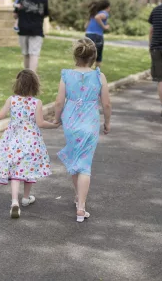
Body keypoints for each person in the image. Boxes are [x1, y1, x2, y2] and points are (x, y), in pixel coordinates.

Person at [0, 69, 59, 218]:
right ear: (35, 85)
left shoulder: (12, 100)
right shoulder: (36, 103)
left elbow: (0, 115)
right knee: (28, 169)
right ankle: (25, 198)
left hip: (13, 140)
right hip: (31, 141)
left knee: (15, 173)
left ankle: (14, 202)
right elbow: (40, 123)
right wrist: (54, 125)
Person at [54, 38, 111, 223]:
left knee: (74, 158)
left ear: (75, 55)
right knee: (84, 164)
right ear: (93, 57)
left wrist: (56, 118)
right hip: (90, 124)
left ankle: (78, 195)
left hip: (71, 124)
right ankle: (81, 207)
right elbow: (107, 104)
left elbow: (58, 101)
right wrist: (107, 122)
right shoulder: (99, 77)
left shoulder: (66, 75)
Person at [15, 0, 49, 73]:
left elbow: (15, 14)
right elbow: (46, 14)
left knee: (26, 54)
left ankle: (26, 76)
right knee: (34, 53)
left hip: (23, 29)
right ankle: (32, 77)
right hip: (36, 30)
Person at [85, 0, 111, 68]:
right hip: (97, 36)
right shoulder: (104, 13)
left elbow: (86, 26)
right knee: (98, 56)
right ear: (107, 7)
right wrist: (104, 27)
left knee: (88, 55)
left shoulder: (93, 13)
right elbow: (98, 17)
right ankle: (97, 75)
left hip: (88, 34)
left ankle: (86, 72)